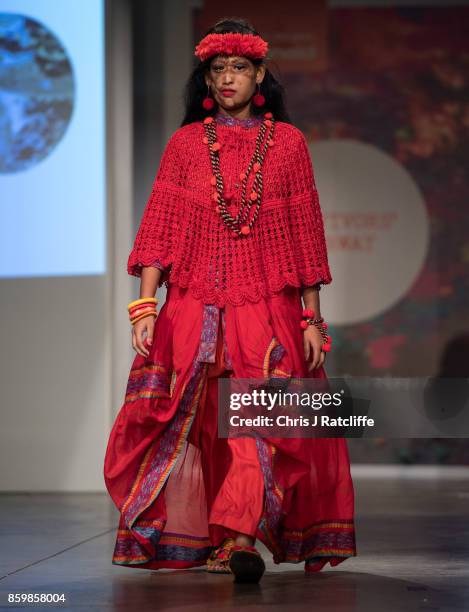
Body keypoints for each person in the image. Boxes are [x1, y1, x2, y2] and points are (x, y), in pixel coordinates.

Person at [103, 17, 356, 584]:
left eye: (238, 68)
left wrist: (313, 318)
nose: (227, 79)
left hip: (267, 300)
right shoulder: (186, 144)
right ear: (206, 78)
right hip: (195, 301)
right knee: (191, 420)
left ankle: (240, 538)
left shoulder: (288, 144)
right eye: (217, 70)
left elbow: (303, 235)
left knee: (259, 418)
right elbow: (160, 229)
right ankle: (216, 537)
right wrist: (145, 307)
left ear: (260, 73)